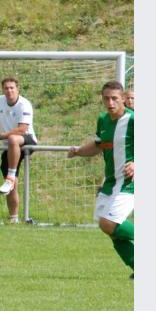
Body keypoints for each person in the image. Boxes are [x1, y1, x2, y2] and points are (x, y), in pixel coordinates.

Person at [67, 81, 134, 277]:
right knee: (109, 229)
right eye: (106, 98)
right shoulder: (103, 119)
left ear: (123, 98)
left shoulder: (133, 120)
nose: (110, 102)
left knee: (109, 223)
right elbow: (98, 145)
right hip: (111, 182)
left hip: (130, 183)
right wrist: (79, 151)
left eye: (114, 98)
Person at [0, 77, 38, 223]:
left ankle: (10, 176)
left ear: (18, 89)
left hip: (26, 139)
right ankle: (13, 219)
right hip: (9, 145)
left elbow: (22, 129)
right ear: (3, 90)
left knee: (13, 138)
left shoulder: (25, 104)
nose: (9, 90)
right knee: (10, 186)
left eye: (12, 88)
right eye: (6, 88)